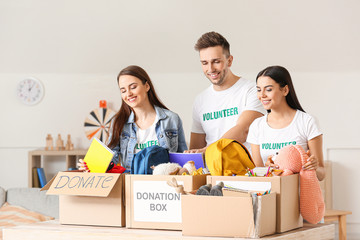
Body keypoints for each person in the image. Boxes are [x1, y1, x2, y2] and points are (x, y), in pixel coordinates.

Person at [187, 31, 265, 153]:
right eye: (205, 63)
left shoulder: (252, 90)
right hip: (212, 171)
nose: (211, 69)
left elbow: (244, 130)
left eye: (216, 61)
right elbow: (195, 150)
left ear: (229, 61)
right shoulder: (200, 100)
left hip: (245, 170)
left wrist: (209, 150)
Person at [246, 65, 325, 181]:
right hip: (271, 196)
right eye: (258, 90)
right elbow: (257, 175)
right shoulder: (256, 126)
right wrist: (266, 170)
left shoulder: (306, 122)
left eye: (268, 89)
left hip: (299, 195)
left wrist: (314, 167)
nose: (262, 95)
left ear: (285, 90)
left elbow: (321, 174)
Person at [106, 65, 187, 170]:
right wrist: (89, 166)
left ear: (147, 86)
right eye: (123, 90)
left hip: (165, 183)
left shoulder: (171, 119)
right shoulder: (118, 122)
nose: (129, 94)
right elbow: (109, 159)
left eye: (133, 87)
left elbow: (183, 160)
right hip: (132, 183)